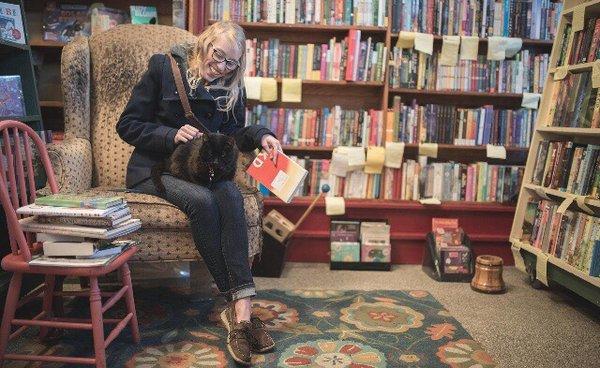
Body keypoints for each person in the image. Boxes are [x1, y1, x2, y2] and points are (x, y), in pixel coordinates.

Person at [116, 21, 281, 365]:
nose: (221, 67)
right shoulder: (164, 68)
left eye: (230, 62)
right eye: (217, 55)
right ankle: (239, 311)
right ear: (204, 44)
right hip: (156, 170)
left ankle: (241, 313)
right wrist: (170, 134)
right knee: (206, 204)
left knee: (231, 196)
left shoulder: (233, 85)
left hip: (201, 170)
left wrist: (263, 135)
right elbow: (127, 125)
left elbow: (234, 133)